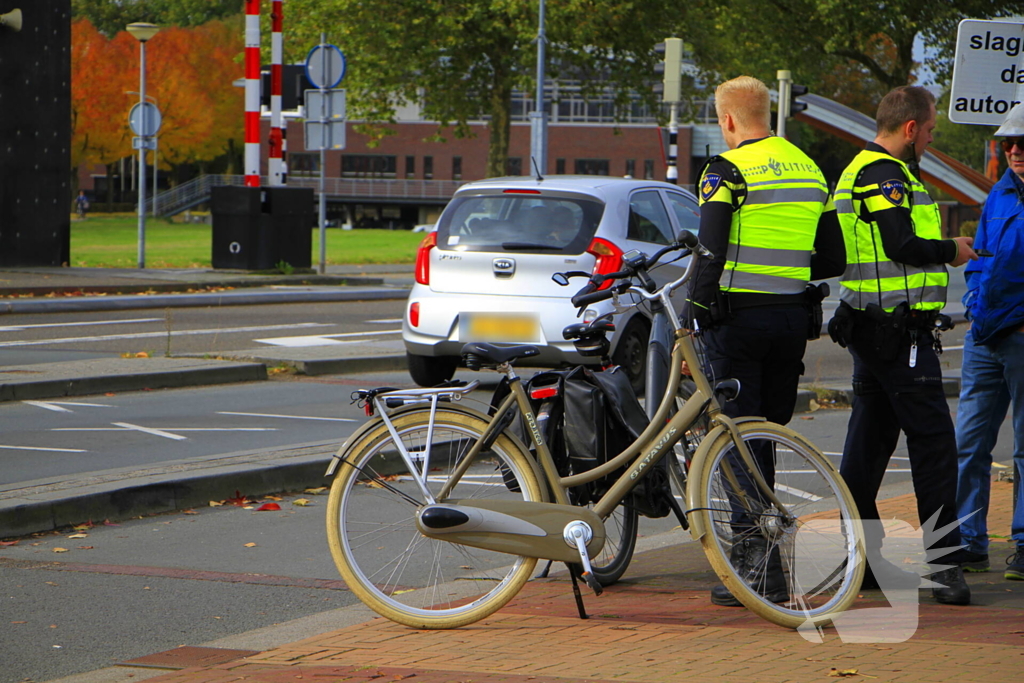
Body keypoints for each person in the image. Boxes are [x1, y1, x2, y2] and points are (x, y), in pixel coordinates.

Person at [684, 75, 846, 607]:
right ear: (767, 113)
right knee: (764, 439)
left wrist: (693, 316)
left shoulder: (726, 170)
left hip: (737, 325)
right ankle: (769, 558)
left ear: (727, 120)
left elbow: (709, 252)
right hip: (790, 324)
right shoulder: (808, 168)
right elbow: (832, 260)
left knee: (733, 442)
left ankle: (757, 570)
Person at [827, 85, 977, 605]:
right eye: (931, 131)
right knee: (935, 446)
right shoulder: (884, 175)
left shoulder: (866, 172)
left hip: (876, 329)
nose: (931, 141)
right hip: (895, 333)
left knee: (865, 453)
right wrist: (952, 250)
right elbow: (900, 244)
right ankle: (946, 565)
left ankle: (861, 558)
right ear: (910, 128)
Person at [954, 102, 1024, 581]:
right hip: (986, 335)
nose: (1016, 150)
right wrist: (976, 303)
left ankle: (1023, 545)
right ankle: (967, 541)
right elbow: (981, 255)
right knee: (969, 441)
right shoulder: (1000, 192)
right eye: (1010, 143)